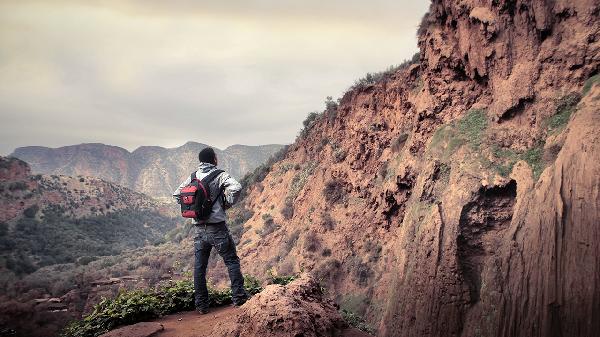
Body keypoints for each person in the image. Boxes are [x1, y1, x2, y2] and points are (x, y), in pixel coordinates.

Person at [173, 147, 248, 314]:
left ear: (201, 160)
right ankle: (239, 298)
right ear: (213, 159)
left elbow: (177, 195)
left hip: (198, 228)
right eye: (216, 157)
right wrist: (226, 203)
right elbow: (236, 187)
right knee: (231, 261)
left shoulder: (192, 177)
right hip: (217, 228)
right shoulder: (220, 175)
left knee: (200, 267)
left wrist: (194, 208)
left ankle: (201, 305)